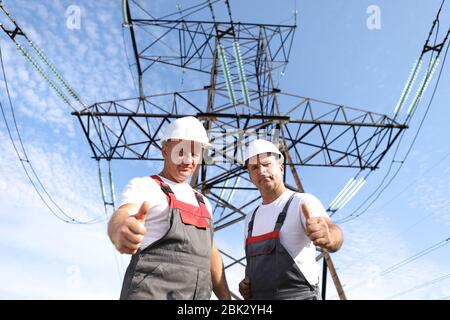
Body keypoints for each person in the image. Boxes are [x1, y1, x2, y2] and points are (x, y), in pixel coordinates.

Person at [108, 116, 231, 300]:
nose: (188, 160)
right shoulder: (145, 186)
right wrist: (120, 229)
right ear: (165, 150)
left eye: (195, 153)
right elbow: (122, 215)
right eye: (181, 151)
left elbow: (212, 256)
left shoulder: (204, 202)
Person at [238, 139, 343, 300]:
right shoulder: (250, 218)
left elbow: (333, 233)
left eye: (267, 164)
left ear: (280, 168)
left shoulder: (301, 202)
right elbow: (254, 269)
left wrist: (329, 235)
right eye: (254, 167)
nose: (261, 170)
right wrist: (247, 286)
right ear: (251, 177)